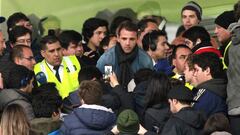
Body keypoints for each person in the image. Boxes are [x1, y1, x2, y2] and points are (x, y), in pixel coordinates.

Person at [97, 21, 153, 90]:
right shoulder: (107, 59)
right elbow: (105, 85)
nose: (127, 43)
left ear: (137, 38)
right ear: (118, 38)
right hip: (111, 97)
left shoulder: (145, 60)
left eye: (132, 39)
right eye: (124, 39)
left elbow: (149, 87)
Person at [191, 53, 227, 117]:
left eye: (197, 70)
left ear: (207, 70)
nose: (194, 74)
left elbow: (193, 118)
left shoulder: (206, 93)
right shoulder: (224, 87)